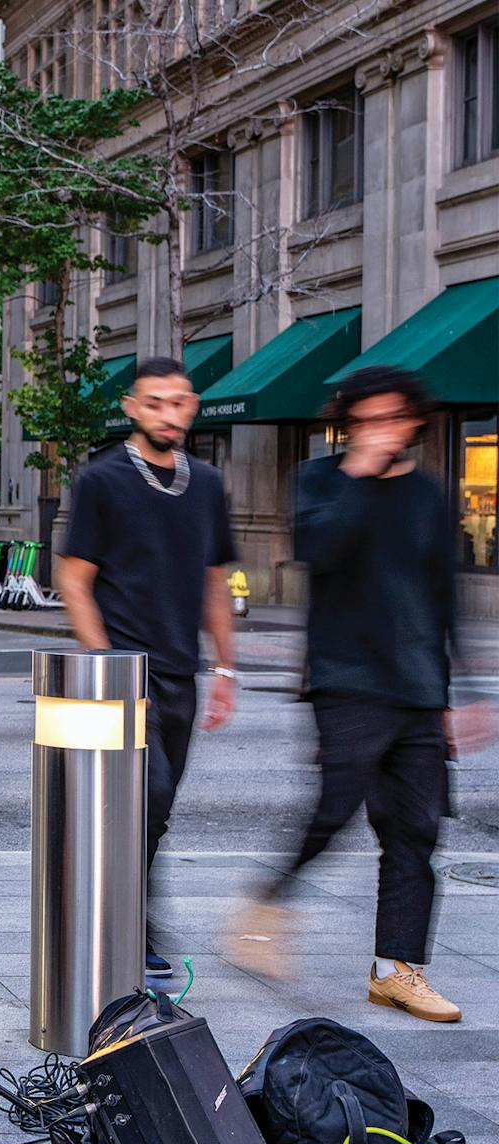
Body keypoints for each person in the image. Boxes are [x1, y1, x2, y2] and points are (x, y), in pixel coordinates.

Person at [238, 368, 491, 1021]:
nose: (382, 431)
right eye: (368, 419)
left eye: (393, 418)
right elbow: (318, 551)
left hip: (418, 685)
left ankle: (397, 970)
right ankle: (268, 903)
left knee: (416, 830)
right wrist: (357, 473)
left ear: (414, 421)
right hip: (346, 678)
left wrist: (462, 688)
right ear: (349, 422)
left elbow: (446, 592)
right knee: (336, 805)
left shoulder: (429, 494)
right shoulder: (321, 481)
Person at [58, 355, 238, 982]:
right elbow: (74, 579)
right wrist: (105, 666)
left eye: (180, 402)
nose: (170, 414)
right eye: (155, 402)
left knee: (156, 810)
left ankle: (127, 914)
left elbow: (215, 579)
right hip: (125, 672)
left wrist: (226, 668)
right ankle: (130, 925)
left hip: (181, 673)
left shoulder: (208, 485)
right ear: (132, 407)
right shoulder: (102, 481)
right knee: (148, 792)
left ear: (192, 407)